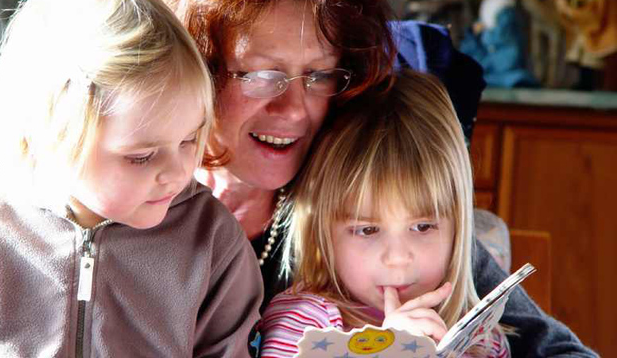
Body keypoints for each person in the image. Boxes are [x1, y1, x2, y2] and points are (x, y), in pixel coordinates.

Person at [171, 0, 597, 356]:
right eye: (263, 75)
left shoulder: (364, 185)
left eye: (319, 75)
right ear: (198, 70)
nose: (296, 110)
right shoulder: (141, 206)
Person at [0, 0, 262, 356]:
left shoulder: (211, 240)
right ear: (49, 137)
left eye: (189, 140)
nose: (178, 172)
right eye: (140, 157)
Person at [258, 70, 509, 357]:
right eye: (367, 230)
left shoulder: (481, 339)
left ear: (457, 228)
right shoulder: (306, 324)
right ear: (321, 229)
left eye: (423, 226)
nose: (398, 257)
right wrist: (395, 350)